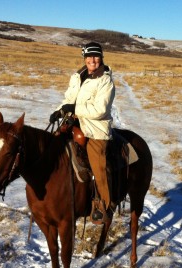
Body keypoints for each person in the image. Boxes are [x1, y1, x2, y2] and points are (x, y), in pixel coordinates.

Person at [49, 42, 115, 223]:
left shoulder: (105, 80)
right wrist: (59, 111)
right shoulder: (77, 77)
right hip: (74, 122)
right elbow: (68, 99)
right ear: (84, 58)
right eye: (89, 57)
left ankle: (102, 204)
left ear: (101, 58)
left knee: (97, 163)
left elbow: (100, 109)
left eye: (96, 56)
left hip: (95, 128)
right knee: (50, 146)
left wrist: (74, 108)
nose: (92, 60)